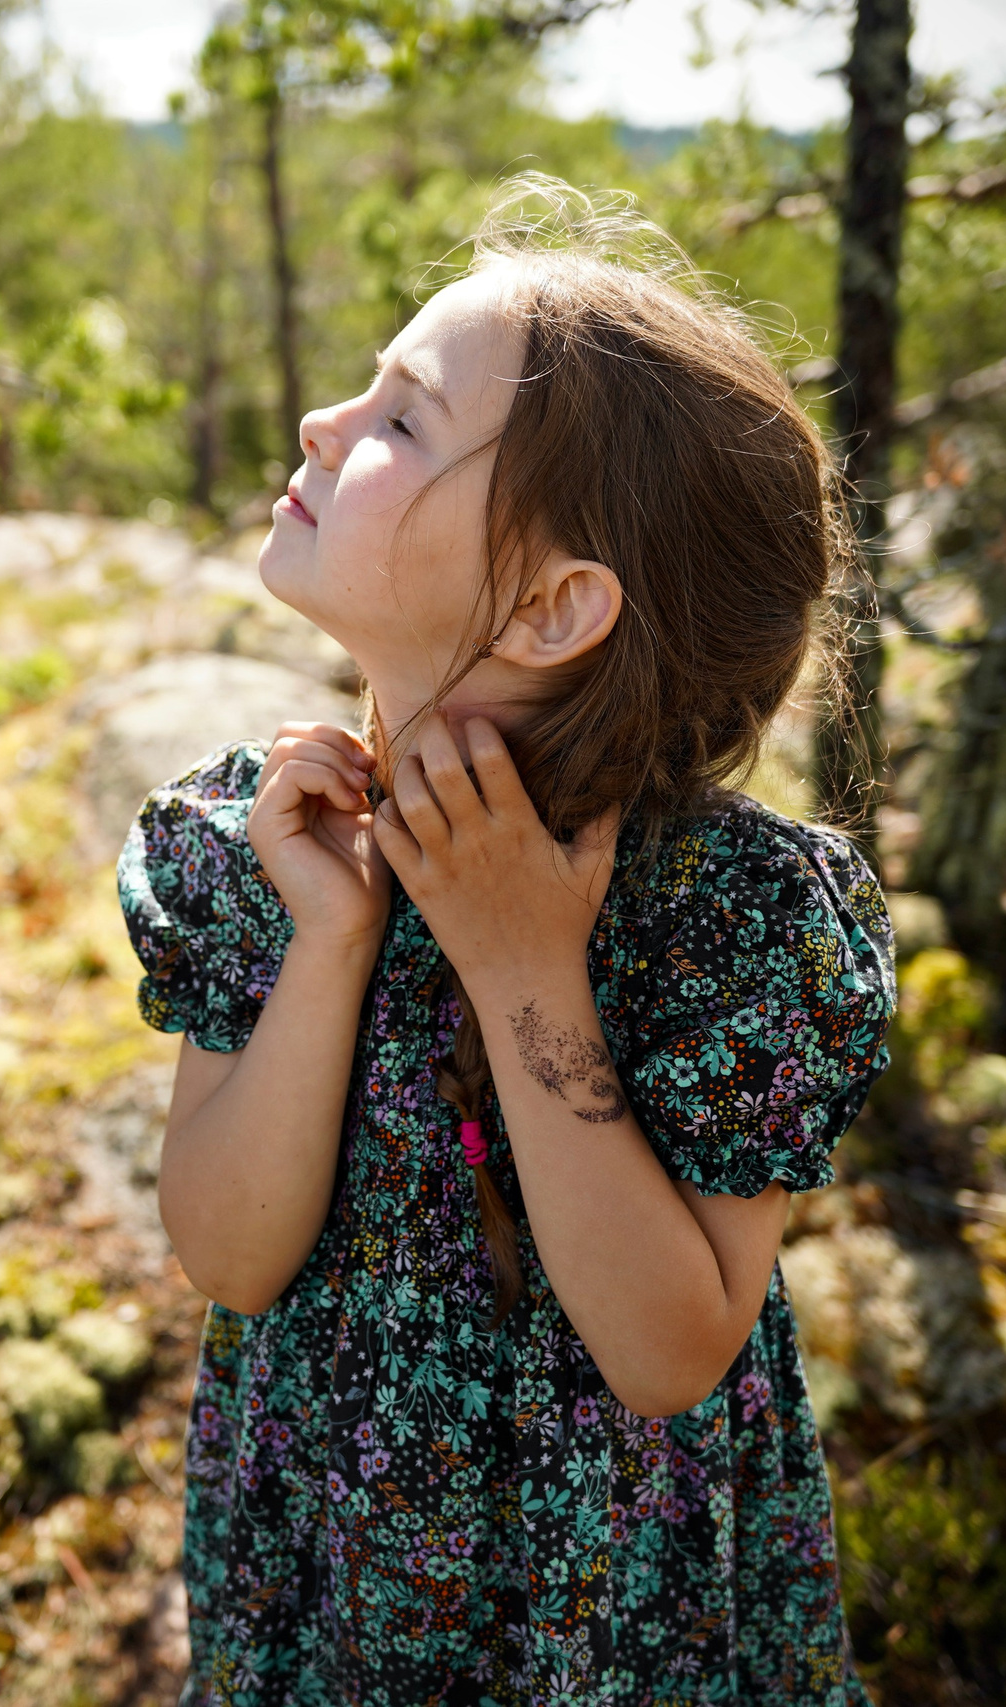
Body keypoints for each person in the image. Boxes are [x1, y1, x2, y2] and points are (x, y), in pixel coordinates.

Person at [117, 174, 897, 1705]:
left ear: (551, 609)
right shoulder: (256, 848)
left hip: (611, 1632)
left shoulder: (728, 925)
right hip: (332, 1600)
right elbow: (228, 1251)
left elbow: (672, 1351)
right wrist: (333, 941)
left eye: (401, 423)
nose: (320, 428)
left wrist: (526, 967)